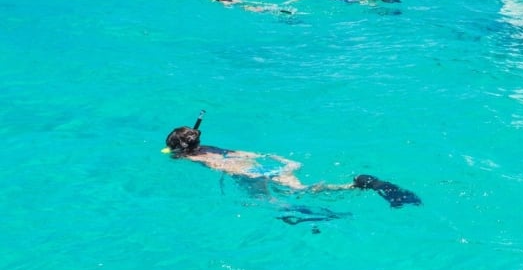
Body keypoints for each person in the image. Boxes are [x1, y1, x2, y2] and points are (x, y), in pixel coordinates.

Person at [163, 112, 421, 208]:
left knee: (269, 201)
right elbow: (247, 154)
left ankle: (305, 215)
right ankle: (357, 185)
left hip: (248, 174)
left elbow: (184, 158)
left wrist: (177, 155)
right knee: (300, 188)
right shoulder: (213, 146)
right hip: (263, 165)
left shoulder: (192, 157)